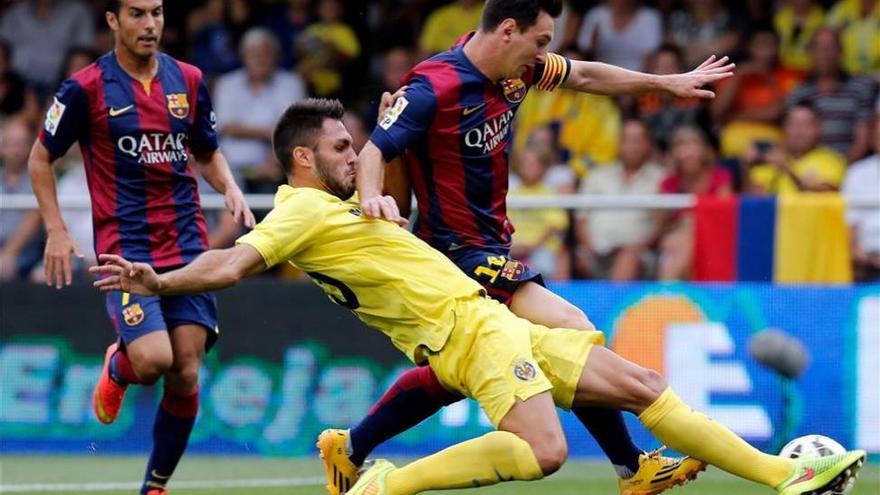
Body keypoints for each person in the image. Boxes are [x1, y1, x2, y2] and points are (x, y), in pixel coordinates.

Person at [90, 98, 867, 495]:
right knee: (546, 452)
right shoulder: (296, 209)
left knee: (641, 384)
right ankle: (391, 481)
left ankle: (780, 475)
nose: (351, 153)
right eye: (337, 146)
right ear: (301, 155)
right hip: (465, 333)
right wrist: (160, 280)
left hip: (487, 319)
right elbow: (229, 265)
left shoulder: (337, 205)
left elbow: (376, 185)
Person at [333, 1, 736, 493]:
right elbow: (376, 149)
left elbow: (585, 75)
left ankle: (350, 446)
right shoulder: (431, 87)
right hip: (455, 252)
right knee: (573, 328)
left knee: (451, 374)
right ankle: (633, 468)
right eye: (540, 41)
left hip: (492, 244)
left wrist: (667, 83)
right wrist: (373, 198)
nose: (545, 54)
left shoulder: (517, 72)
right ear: (508, 31)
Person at [26, 1, 255, 494]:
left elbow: (207, 150)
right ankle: (118, 364)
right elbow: (40, 158)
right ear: (112, 20)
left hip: (189, 245)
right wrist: (57, 230)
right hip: (126, 249)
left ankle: (155, 486)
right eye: (136, 13)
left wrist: (230, 187)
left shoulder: (189, 79)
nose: (149, 24)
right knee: (153, 363)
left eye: (156, 12)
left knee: (187, 370)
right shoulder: (84, 88)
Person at [575, 119, 665, 281]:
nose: (633, 146)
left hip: (639, 253)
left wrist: (637, 248)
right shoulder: (596, 175)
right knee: (569, 258)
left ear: (648, 144)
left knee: (627, 259)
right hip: (595, 251)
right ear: (619, 144)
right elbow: (581, 220)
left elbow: (661, 226)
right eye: (627, 140)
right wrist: (591, 248)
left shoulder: (661, 178)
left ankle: (608, 306)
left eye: (638, 140)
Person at [656, 126, 733, 280]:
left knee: (688, 234)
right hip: (673, 241)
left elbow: (724, 218)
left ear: (704, 150)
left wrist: (692, 222)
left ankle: (665, 293)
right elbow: (659, 225)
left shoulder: (721, 178)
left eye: (693, 144)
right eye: (682, 146)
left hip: (714, 239)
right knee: (680, 244)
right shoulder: (667, 184)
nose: (688, 152)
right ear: (674, 153)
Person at [744, 103, 847, 195]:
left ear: (819, 129)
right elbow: (755, 201)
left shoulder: (832, 160)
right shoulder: (770, 158)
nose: (799, 131)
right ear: (784, 128)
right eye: (793, 124)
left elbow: (826, 196)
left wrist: (787, 169)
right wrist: (747, 167)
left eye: (806, 124)